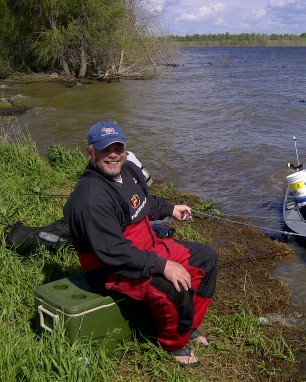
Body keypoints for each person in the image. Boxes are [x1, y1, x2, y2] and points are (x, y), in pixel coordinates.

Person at [63, 121, 217, 366]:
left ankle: (189, 327)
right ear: (90, 152)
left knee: (206, 258)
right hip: (113, 268)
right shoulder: (90, 198)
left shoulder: (127, 171)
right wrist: (163, 266)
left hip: (147, 247)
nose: (113, 155)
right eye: (105, 149)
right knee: (173, 286)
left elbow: (143, 203)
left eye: (118, 148)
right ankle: (174, 345)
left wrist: (170, 209)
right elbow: (113, 252)